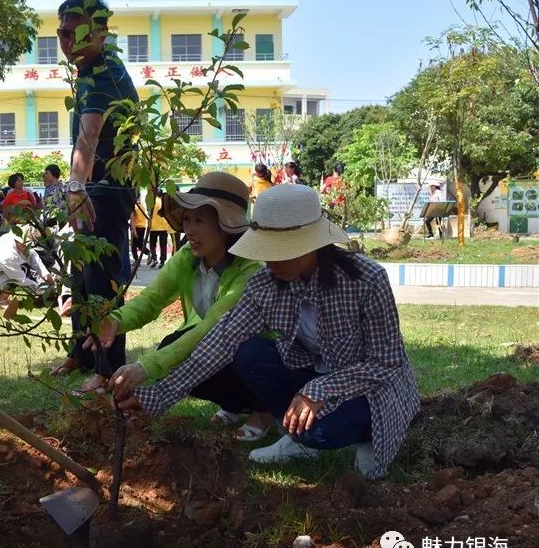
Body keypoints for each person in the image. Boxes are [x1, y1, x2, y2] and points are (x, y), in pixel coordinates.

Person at [115, 184, 421, 479]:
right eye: (266, 249)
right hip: (312, 374)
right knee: (250, 354)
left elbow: (386, 363)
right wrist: (157, 396)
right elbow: (221, 342)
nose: (271, 260)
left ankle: (363, 434)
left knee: (319, 431)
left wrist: (319, 391)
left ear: (312, 244)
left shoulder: (366, 280)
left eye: (281, 250)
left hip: (372, 387)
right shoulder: (265, 284)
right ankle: (299, 439)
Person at [91, 173, 270, 436]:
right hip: (216, 347)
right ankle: (234, 406)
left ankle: (263, 410)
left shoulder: (251, 271)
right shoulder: (187, 256)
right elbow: (153, 297)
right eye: (187, 219)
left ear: (226, 226)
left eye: (200, 220)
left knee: (245, 353)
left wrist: (146, 366)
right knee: (172, 348)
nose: (189, 229)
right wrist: (116, 321)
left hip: (258, 353)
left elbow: (210, 329)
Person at [49, 0, 139, 391]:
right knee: (82, 275)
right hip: (94, 189)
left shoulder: (104, 73)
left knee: (101, 280)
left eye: (76, 32)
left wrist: (74, 187)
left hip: (105, 189)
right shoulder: (90, 70)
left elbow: (89, 139)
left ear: (101, 31)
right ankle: (81, 353)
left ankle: (107, 371)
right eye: (62, 33)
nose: (67, 40)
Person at [0, 228, 53, 319]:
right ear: (20, 243)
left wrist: (46, 275)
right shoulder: (7, 255)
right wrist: (41, 290)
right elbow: (20, 279)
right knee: (21, 272)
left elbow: (32, 254)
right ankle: (0, 301)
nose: (28, 248)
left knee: (23, 269)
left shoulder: (11, 239)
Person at [147, 190, 172, 268]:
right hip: (164, 227)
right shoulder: (165, 202)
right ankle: (162, 261)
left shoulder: (152, 202)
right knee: (163, 245)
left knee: (152, 244)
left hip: (153, 227)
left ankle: (154, 258)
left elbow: (148, 212)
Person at [130, 195, 150, 264]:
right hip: (143, 227)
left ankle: (136, 260)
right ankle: (149, 253)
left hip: (137, 227)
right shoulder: (142, 206)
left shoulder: (133, 207)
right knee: (140, 244)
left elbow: (132, 220)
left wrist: (134, 230)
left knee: (133, 246)